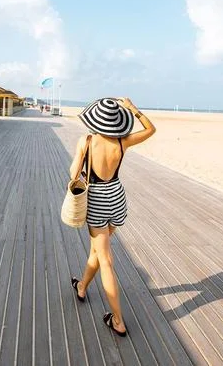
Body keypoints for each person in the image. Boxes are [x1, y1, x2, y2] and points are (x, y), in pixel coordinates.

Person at [68, 97, 155, 337]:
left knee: (105, 259)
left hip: (96, 200)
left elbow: (73, 172)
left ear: (95, 119)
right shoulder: (122, 142)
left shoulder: (86, 141)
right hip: (116, 198)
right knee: (97, 251)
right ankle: (82, 286)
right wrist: (134, 109)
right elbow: (151, 129)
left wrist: (82, 162)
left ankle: (117, 320)